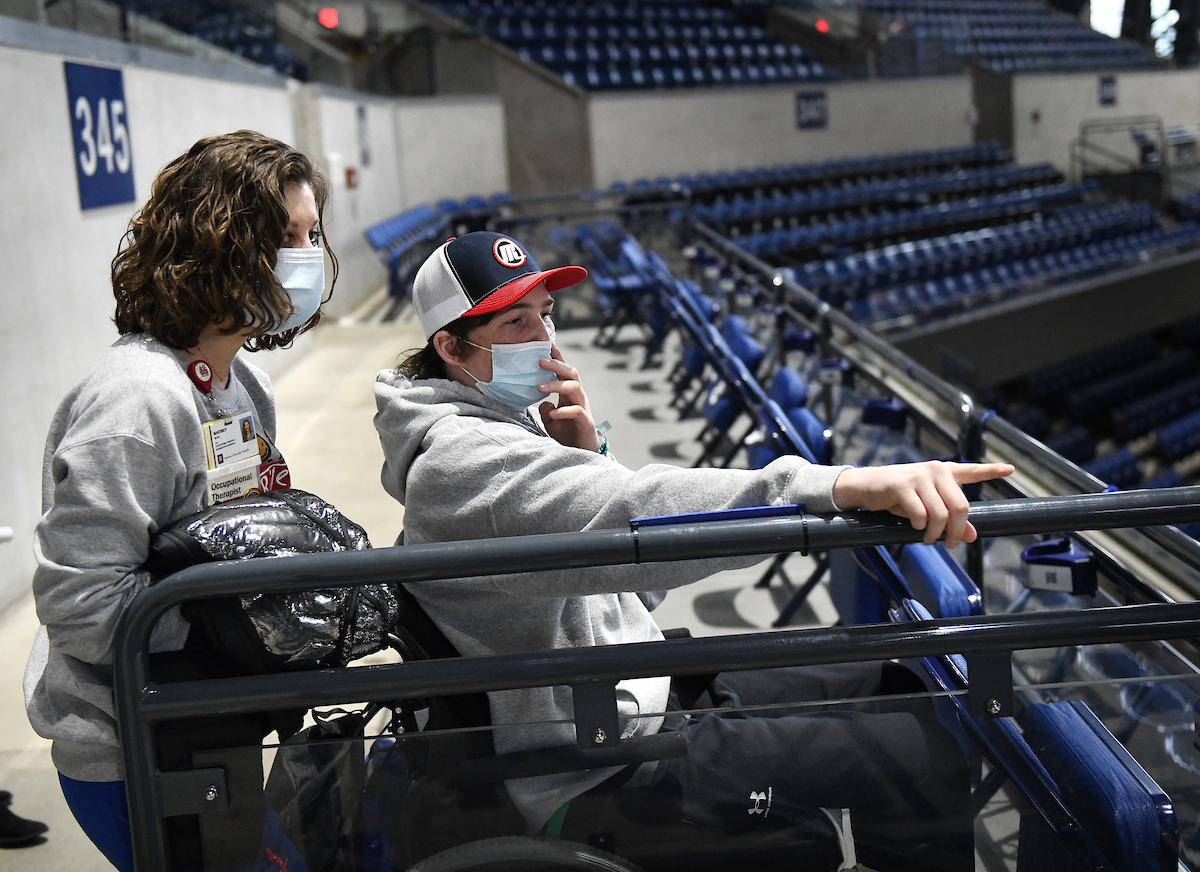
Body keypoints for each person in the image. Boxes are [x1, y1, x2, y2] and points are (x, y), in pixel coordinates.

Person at [373, 231, 1014, 870]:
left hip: (638, 696)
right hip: (598, 770)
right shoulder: (463, 459)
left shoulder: (504, 429)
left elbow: (635, 592)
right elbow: (638, 513)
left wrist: (585, 455)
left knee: (903, 685)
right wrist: (831, 485)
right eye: (516, 322)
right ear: (452, 347)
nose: (545, 341)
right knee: (926, 753)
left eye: (544, 315)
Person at [23, 130, 335, 872]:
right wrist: (234, 622)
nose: (305, 257)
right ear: (216, 244)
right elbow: (83, 607)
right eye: (281, 237)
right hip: (133, 749)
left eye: (312, 234)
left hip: (203, 729)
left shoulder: (237, 386)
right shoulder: (137, 401)